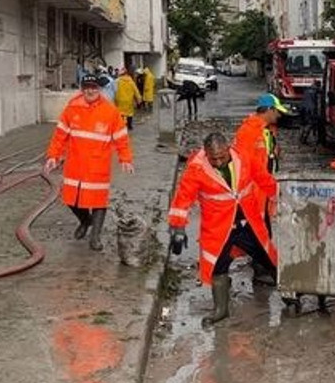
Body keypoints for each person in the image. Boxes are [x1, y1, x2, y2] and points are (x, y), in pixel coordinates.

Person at [168, 133, 279, 325]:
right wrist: (178, 228)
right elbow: (183, 199)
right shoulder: (196, 169)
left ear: (228, 149)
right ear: (206, 155)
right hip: (218, 227)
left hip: (248, 221)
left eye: (221, 156)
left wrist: (281, 197)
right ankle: (221, 309)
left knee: (268, 258)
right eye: (214, 159)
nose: (218, 162)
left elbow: (263, 178)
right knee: (218, 266)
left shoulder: (243, 157)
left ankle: (290, 293)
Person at [44, 74, 135, 251]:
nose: (90, 91)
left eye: (94, 87)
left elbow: (121, 138)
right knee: (71, 200)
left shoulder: (110, 111)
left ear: (99, 89)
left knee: (99, 201)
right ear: (82, 89)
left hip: (98, 165)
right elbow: (59, 136)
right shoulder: (72, 109)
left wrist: (126, 159)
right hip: (75, 164)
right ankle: (85, 221)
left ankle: (95, 237)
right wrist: (53, 156)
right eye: (87, 87)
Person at [234, 93, 290, 177]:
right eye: (277, 111)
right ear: (270, 109)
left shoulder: (268, 129)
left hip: (266, 179)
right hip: (255, 183)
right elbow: (242, 163)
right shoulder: (248, 130)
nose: (279, 115)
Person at [114, 66, 141, 130]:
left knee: (121, 113)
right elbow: (136, 91)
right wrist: (139, 99)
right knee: (129, 113)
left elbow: (113, 90)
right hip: (129, 101)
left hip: (119, 100)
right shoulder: (131, 82)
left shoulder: (117, 81)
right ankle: (129, 126)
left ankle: (121, 125)